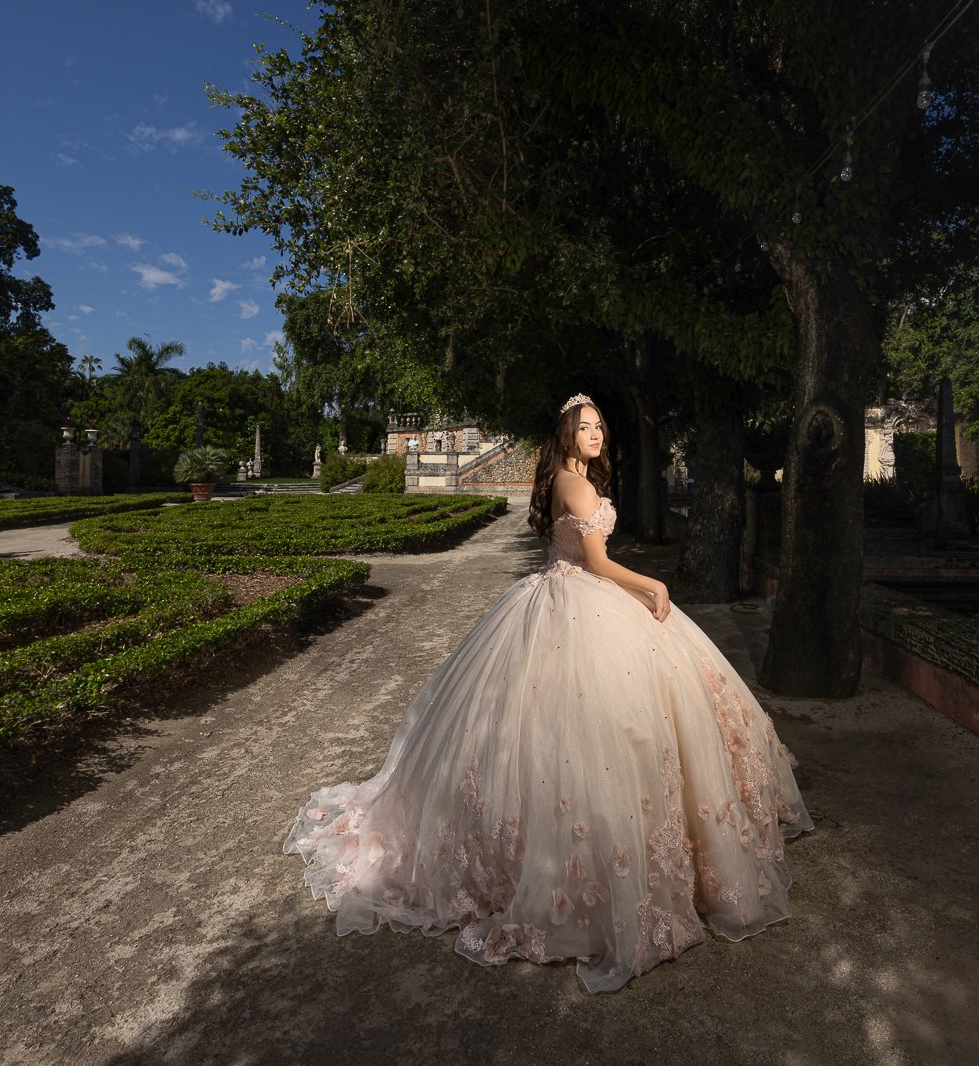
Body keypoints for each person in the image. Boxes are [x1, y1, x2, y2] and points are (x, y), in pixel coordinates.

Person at [286, 394, 813, 992]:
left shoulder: (573, 479)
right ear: (565, 436)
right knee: (594, 735)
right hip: (581, 599)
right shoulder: (575, 484)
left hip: (572, 597)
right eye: (584, 428)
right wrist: (652, 584)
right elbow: (599, 563)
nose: (595, 434)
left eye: (599, 427)